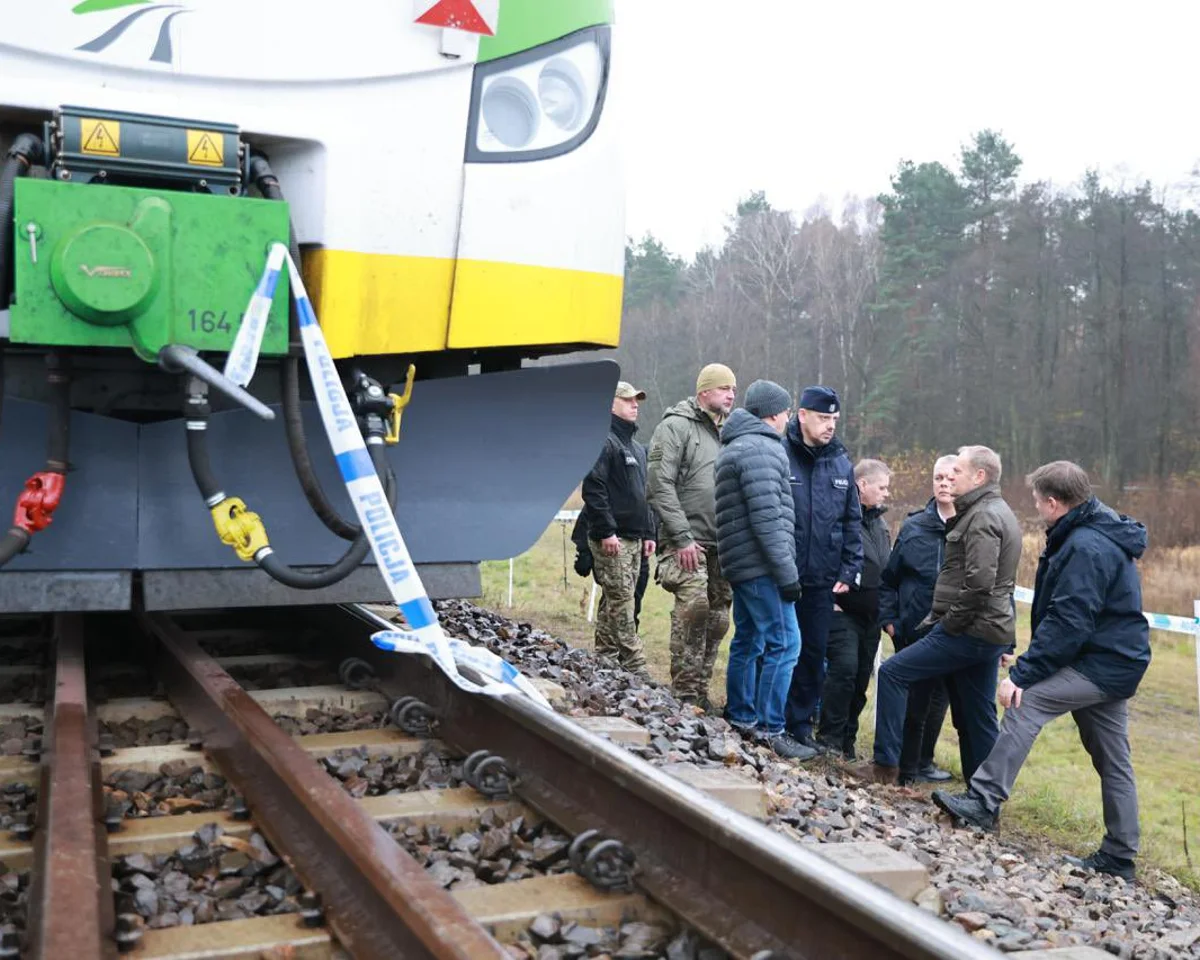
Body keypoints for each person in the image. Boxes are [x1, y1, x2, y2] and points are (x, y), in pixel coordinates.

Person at [932, 461, 1150, 881]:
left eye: (1036, 500)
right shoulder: (1091, 531)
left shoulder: (1086, 546)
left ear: (1053, 503)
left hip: (1102, 663)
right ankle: (1120, 856)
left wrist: (1024, 673)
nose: (1034, 507)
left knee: (1024, 702)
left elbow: (1070, 621)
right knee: (1114, 759)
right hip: (1114, 659)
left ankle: (983, 800)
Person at [854, 445, 1021, 784]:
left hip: (968, 630)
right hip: (984, 630)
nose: (948, 479)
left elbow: (981, 585)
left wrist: (949, 625)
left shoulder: (984, 516)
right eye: (943, 474)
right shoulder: (990, 510)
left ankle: (885, 767)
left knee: (893, 674)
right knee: (976, 716)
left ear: (979, 476)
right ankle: (983, 799)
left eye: (956, 471)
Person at [714, 380, 814, 760]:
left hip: (742, 564)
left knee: (749, 640)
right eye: (786, 411)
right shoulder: (763, 449)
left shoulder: (737, 445)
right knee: (785, 644)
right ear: (772, 414)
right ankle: (771, 729)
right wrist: (786, 574)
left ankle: (741, 716)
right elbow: (768, 519)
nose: (789, 418)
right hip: (762, 567)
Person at [646, 363, 737, 707]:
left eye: (734, 388)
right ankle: (683, 694)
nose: (731, 393)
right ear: (704, 392)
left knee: (717, 619)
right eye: (724, 387)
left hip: (722, 544)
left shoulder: (731, 433)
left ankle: (701, 693)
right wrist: (682, 537)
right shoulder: (675, 427)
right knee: (695, 608)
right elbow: (659, 485)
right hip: (685, 541)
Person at [781, 386, 863, 749]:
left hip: (823, 577)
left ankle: (799, 724)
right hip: (785, 572)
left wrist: (849, 569)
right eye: (823, 418)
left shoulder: (840, 461)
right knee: (780, 647)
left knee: (813, 653)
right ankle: (768, 718)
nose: (830, 426)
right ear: (802, 415)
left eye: (834, 420)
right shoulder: (781, 454)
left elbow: (851, 521)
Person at [878, 456, 957, 784]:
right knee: (912, 701)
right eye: (939, 477)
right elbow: (890, 579)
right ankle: (899, 764)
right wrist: (890, 619)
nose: (944, 484)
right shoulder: (914, 526)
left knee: (940, 701)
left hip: (954, 632)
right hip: (913, 629)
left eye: (951, 479)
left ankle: (924, 760)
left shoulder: (973, 528)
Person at [579, 381, 657, 673]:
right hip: (613, 538)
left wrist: (649, 533)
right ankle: (636, 664)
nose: (635, 404)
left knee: (615, 598)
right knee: (623, 600)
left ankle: (605, 657)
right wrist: (606, 531)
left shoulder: (636, 447)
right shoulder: (603, 441)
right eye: (627, 400)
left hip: (636, 538)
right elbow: (594, 489)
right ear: (611, 405)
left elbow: (644, 494)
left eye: (636, 400)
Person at [816, 458, 891, 759]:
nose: (886, 493)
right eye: (882, 487)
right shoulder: (838, 517)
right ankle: (829, 738)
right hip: (842, 611)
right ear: (862, 485)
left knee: (861, 678)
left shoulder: (881, 524)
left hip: (872, 616)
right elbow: (822, 555)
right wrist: (827, 598)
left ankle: (848, 739)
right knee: (844, 671)